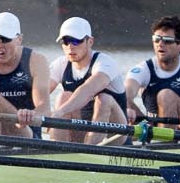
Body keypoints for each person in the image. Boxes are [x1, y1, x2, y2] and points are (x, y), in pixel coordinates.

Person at [46, 16, 127, 144]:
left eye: (76, 41)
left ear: (90, 41)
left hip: (115, 136)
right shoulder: (60, 64)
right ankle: (57, 151)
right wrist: (27, 111)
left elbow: (88, 90)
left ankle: (89, 152)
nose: (70, 47)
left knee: (103, 99)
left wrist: (58, 113)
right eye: (65, 41)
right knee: (64, 96)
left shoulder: (105, 63)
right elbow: (40, 94)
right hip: (82, 132)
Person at [124, 13, 180, 128]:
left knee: (166, 95)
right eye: (156, 39)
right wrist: (126, 106)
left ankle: (165, 142)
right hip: (154, 128)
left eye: (167, 40)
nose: (160, 44)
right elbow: (126, 92)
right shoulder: (143, 69)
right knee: (114, 97)